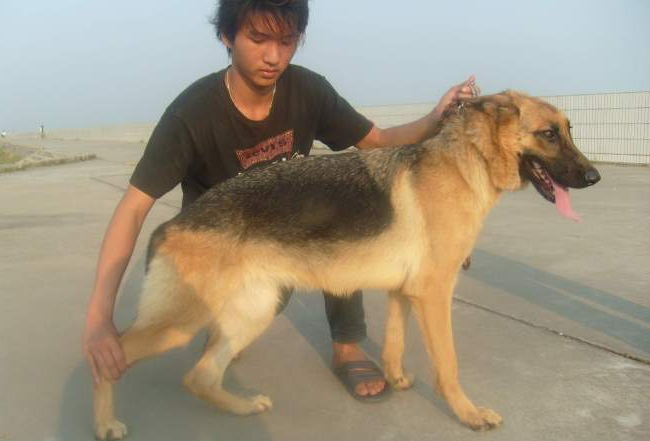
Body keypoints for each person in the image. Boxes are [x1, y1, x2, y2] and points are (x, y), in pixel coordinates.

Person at [82, 0, 479, 402]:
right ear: (227, 36)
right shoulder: (191, 113)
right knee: (187, 323)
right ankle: (217, 319)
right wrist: (99, 317)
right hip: (218, 243)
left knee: (343, 200)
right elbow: (133, 207)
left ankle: (347, 346)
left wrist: (435, 117)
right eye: (258, 39)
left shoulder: (308, 90)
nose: (273, 56)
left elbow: (377, 142)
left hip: (287, 239)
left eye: (286, 41)